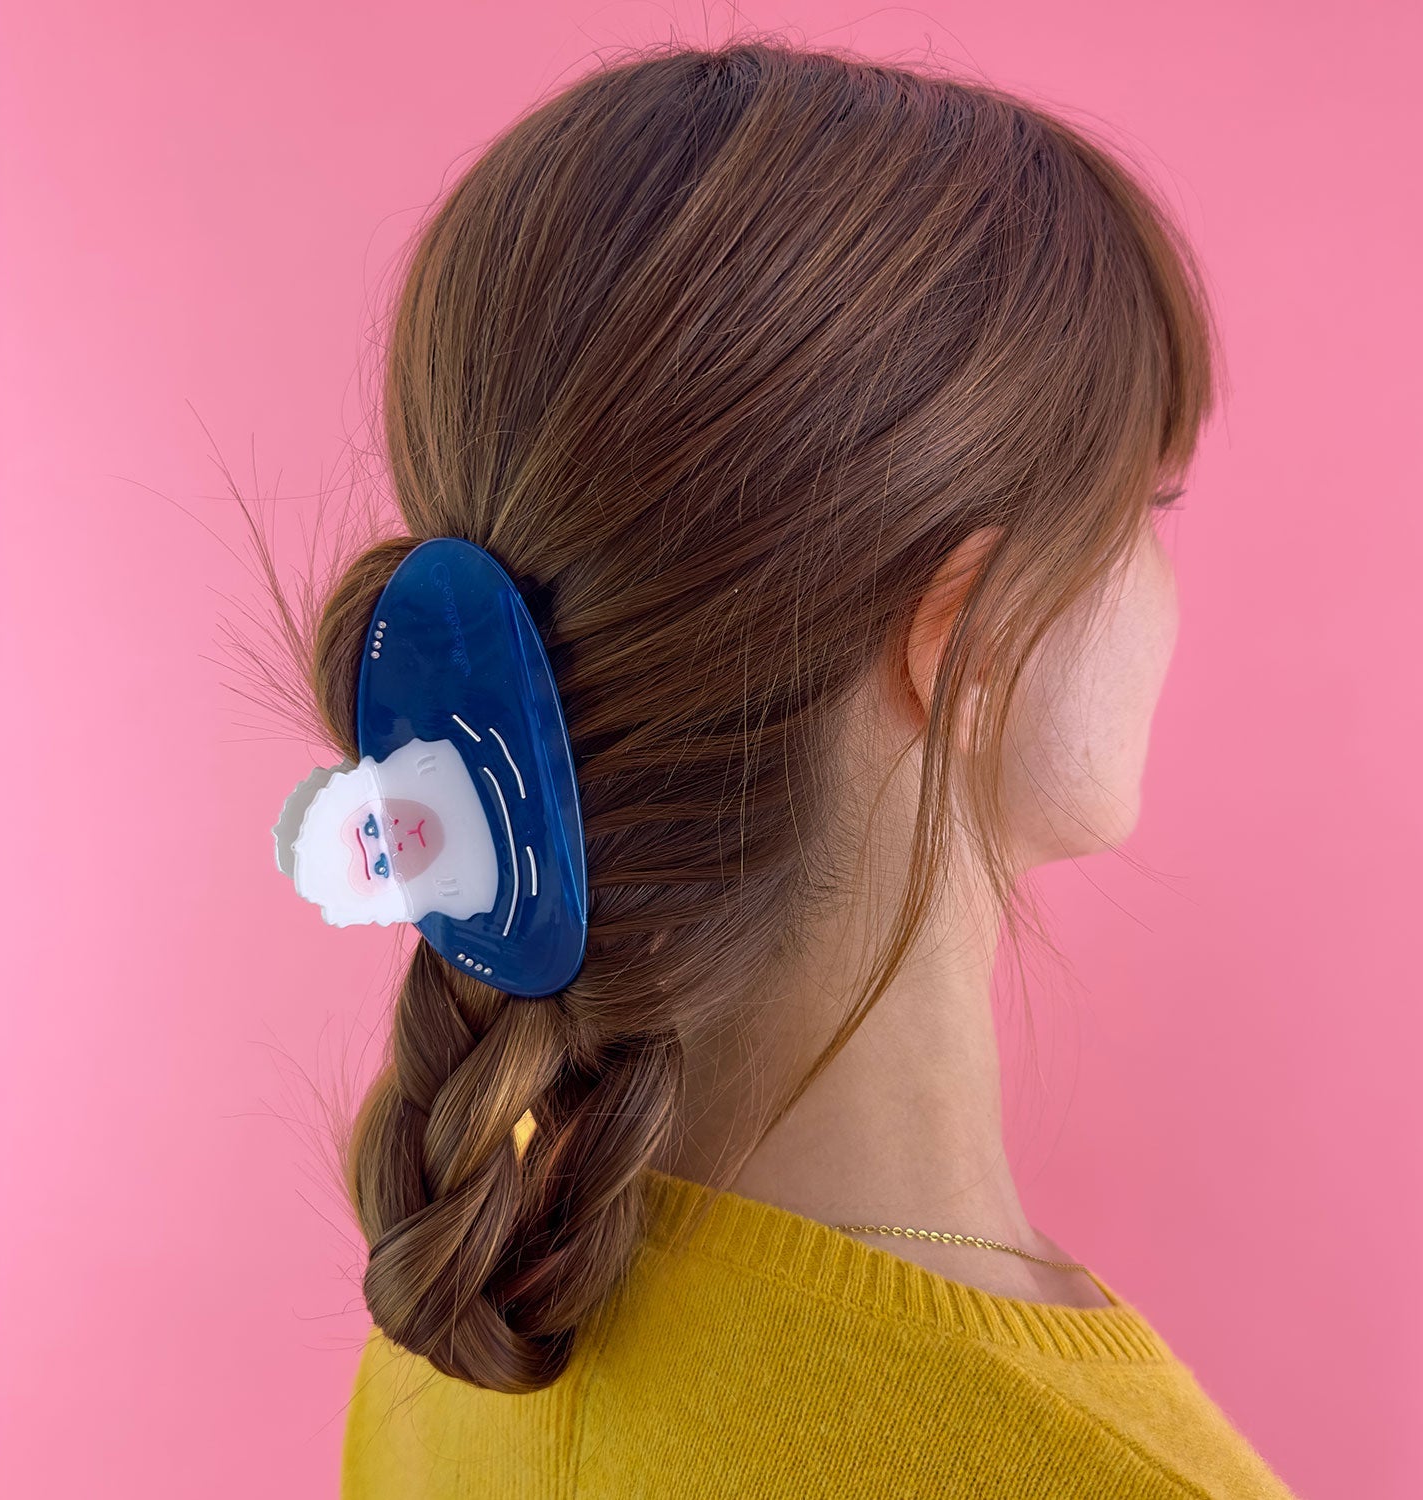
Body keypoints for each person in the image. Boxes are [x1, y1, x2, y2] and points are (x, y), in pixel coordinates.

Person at [258, 35, 1298, 1497]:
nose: (1172, 585)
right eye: (1149, 504)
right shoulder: (1104, 1476)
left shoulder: (473, 1323)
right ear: (977, 633)